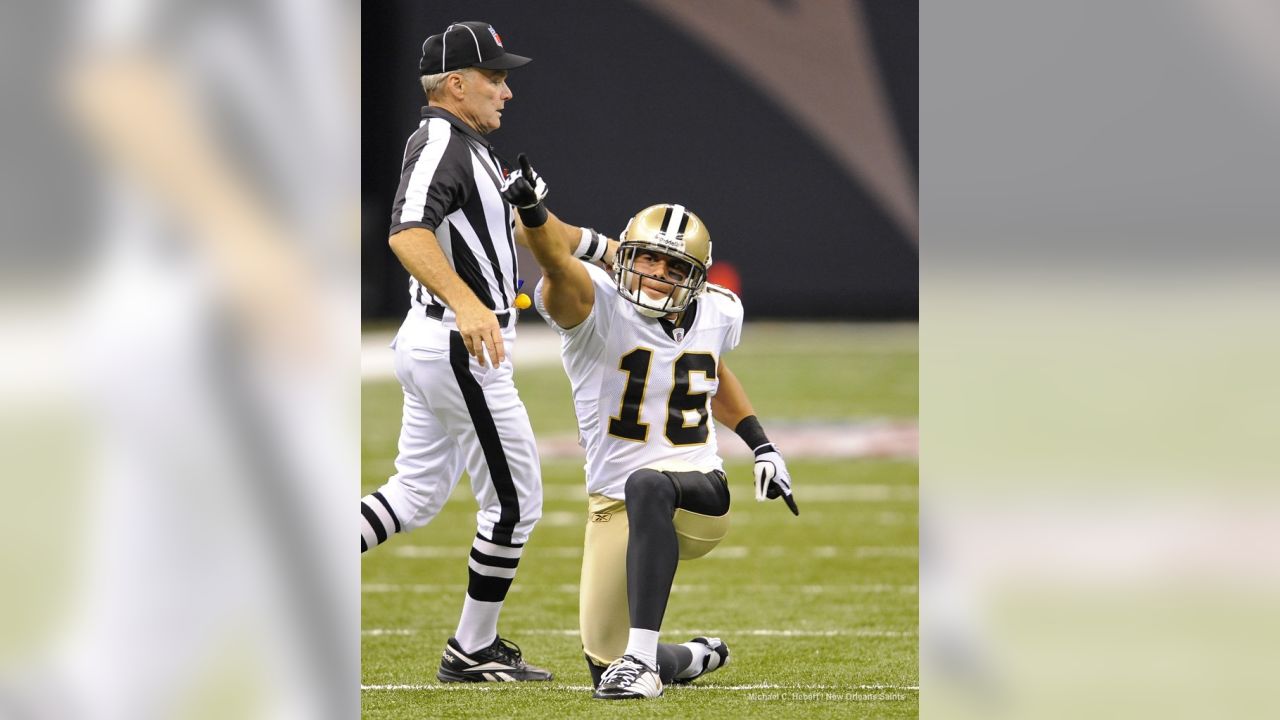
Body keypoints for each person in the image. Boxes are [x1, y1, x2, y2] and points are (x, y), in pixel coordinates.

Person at [359, 21, 613, 684]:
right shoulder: (442, 140)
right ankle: (472, 649)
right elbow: (406, 232)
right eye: (494, 78)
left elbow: (538, 233)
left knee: (414, 495)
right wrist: (468, 303)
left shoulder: (471, 148)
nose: (506, 92)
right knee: (515, 504)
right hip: (457, 341)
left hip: (440, 339)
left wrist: (610, 251)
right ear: (455, 84)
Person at [500, 157, 800, 699]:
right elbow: (556, 262)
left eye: (674, 268)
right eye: (648, 260)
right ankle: (685, 657)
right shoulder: (594, 306)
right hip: (614, 500)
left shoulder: (717, 311)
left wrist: (762, 444)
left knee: (649, 483)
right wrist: (531, 211)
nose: (658, 276)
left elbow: (712, 372)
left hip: (697, 491)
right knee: (602, 657)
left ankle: (641, 664)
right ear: (625, 257)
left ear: (695, 279)